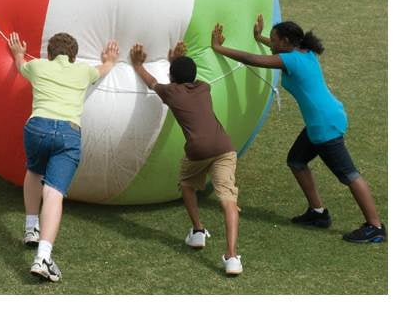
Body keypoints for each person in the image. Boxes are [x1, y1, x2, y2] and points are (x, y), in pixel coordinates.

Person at [211, 16, 386, 243]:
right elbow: (276, 51)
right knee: (296, 160)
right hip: (325, 119)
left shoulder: (290, 60)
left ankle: (375, 226)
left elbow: (251, 59)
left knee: (349, 175)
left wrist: (218, 47)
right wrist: (258, 37)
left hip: (325, 126)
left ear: (285, 41)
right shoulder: (305, 52)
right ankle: (318, 213)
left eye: (273, 40)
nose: (271, 44)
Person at [8, 32, 119, 281]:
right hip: (68, 133)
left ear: (49, 54)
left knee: (34, 171)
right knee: (54, 193)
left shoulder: (37, 66)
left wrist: (17, 53)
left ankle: (30, 228)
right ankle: (43, 257)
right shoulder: (82, 71)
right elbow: (104, 69)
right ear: (73, 56)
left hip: (36, 127)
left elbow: (20, 66)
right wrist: (110, 59)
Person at [129, 41, 243, 275]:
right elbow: (184, 80)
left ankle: (198, 231)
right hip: (224, 148)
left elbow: (151, 82)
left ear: (172, 77)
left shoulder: (171, 92)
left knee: (187, 185)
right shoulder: (204, 87)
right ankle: (232, 257)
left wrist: (137, 64)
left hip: (197, 151)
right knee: (228, 201)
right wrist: (176, 62)